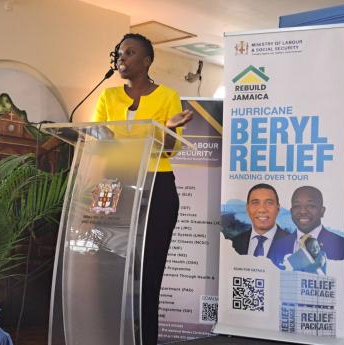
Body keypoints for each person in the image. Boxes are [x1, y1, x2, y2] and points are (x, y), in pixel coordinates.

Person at [92, 33, 193, 345]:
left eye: (129, 53)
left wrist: (171, 128)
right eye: (119, 53)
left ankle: (144, 339)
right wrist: (100, 137)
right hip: (113, 184)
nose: (121, 58)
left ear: (147, 61)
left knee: (148, 274)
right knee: (108, 267)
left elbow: (170, 150)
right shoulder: (108, 97)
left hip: (156, 186)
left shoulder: (168, 97)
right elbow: (99, 142)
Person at [269, 186, 344, 269]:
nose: (303, 211)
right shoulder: (277, 246)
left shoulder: (343, 246)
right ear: (291, 212)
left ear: (322, 211)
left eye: (310, 206)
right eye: (297, 206)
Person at [231, 183, 288, 258]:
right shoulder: (234, 243)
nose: (262, 209)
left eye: (269, 203)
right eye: (255, 203)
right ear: (247, 208)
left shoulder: (293, 243)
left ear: (278, 208)